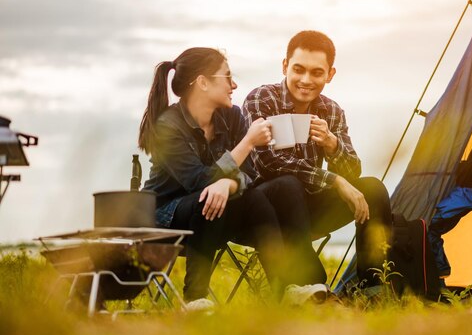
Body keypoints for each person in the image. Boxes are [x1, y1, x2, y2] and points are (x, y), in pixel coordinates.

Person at [138, 47, 326, 308]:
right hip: (167, 216)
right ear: (203, 82)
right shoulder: (168, 127)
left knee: (274, 189)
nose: (234, 84)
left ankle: (286, 287)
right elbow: (198, 182)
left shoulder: (231, 116)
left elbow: (249, 173)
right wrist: (248, 142)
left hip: (219, 208)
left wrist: (228, 182)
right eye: (227, 77)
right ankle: (195, 298)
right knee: (208, 197)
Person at [242, 31, 393, 290]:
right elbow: (268, 163)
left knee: (372, 188)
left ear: (330, 74)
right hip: (266, 208)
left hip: (309, 206)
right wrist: (333, 180)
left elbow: (353, 171)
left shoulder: (331, 110)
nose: (305, 80)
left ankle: (372, 287)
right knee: (288, 184)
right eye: (298, 69)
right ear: (285, 66)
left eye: (316, 73)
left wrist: (332, 144)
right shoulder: (262, 99)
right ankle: (311, 286)